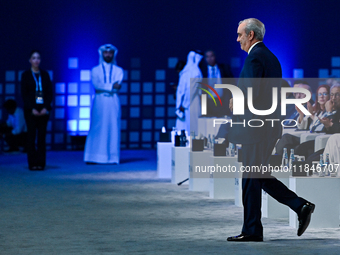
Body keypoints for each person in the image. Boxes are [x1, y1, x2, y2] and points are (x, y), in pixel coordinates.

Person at [227, 18, 314, 242]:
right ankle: (300, 206)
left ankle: (252, 230)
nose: (237, 39)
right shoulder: (271, 57)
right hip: (265, 128)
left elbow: (252, 95)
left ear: (251, 35)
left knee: (251, 178)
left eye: (240, 35)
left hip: (256, 129)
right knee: (257, 176)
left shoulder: (256, 57)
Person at [84, 44, 123, 164]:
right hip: (99, 102)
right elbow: (97, 85)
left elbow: (118, 86)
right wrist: (111, 86)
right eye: (106, 53)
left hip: (113, 102)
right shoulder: (95, 70)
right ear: (101, 54)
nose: (108, 55)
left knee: (113, 128)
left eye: (110, 52)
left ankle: (112, 158)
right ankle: (93, 157)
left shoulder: (119, 70)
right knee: (97, 127)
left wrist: (109, 87)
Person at [21, 50, 53, 170]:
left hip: (43, 110)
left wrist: (45, 107)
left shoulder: (45, 75)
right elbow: (24, 94)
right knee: (31, 136)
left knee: (41, 137)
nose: (36, 60)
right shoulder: (26, 75)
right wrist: (32, 108)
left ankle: (41, 163)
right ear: (30, 60)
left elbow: (49, 93)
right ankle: (32, 163)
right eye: (34, 58)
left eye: (38, 58)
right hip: (31, 111)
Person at [175, 50, 203, 135]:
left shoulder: (192, 71)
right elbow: (190, 90)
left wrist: (182, 104)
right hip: (189, 103)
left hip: (189, 104)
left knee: (192, 128)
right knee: (189, 128)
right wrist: (183, 104)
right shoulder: (194, 72)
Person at [200, 50, 234, 117]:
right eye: (207, 57)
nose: (210, 58)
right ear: (205, 58)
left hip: (223, 100)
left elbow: (231, 81)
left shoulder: (224, 68)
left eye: (211, 56)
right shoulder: (202, 71)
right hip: (209, 101)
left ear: (215, 57)